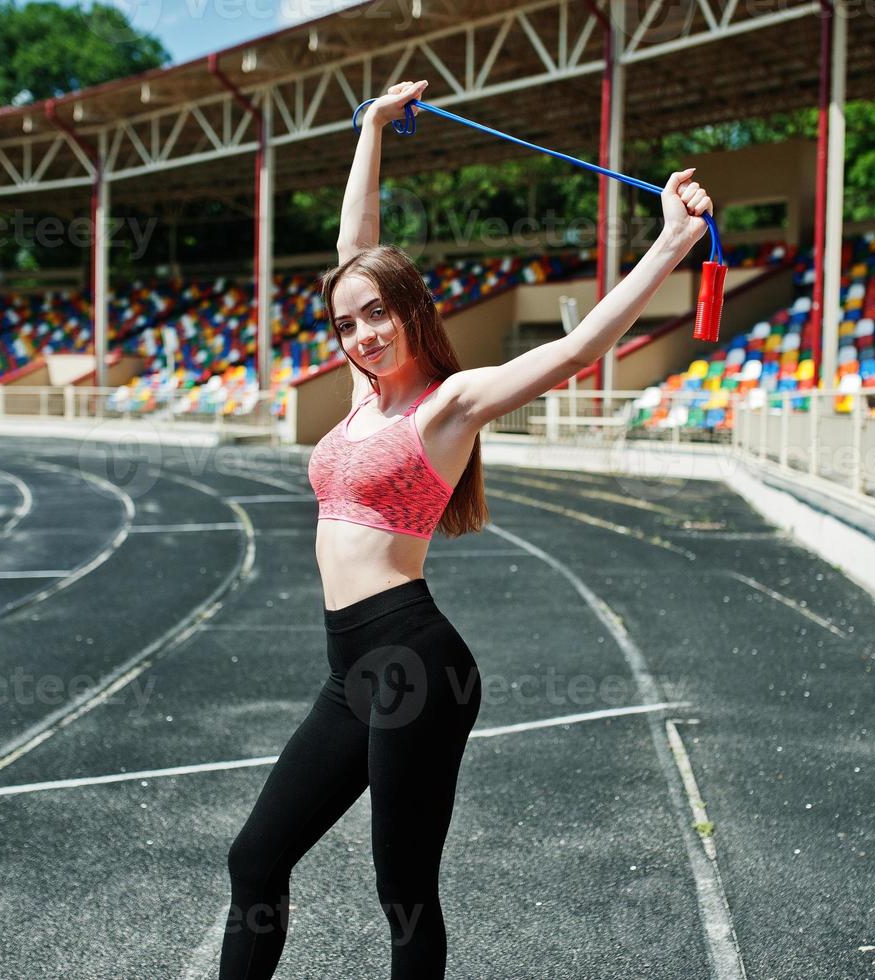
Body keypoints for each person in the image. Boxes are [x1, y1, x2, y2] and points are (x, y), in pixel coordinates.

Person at [217, 79, 715, 980]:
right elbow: (352, 250)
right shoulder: (362, 395)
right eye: (346, 323)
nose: (362, 334)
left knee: (402, 895)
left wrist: (672, 242)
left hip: (413, 664)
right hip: (349, 671)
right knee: (255, 859)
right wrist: (369, 126)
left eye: (378, 313)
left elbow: (575, 350)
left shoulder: (447, 405)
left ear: (411, 309)